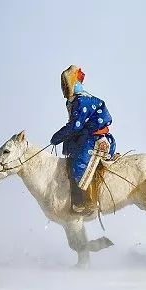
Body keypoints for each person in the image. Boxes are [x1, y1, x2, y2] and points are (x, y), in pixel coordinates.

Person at [50, 65, 116, 213]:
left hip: (96, 138)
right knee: (71, 154)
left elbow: (75, 126)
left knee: (79, 163)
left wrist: (58, 137)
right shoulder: (74, 102)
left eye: (64, 83)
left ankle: (87, 203)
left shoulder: (82, 101)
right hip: (85, 137)